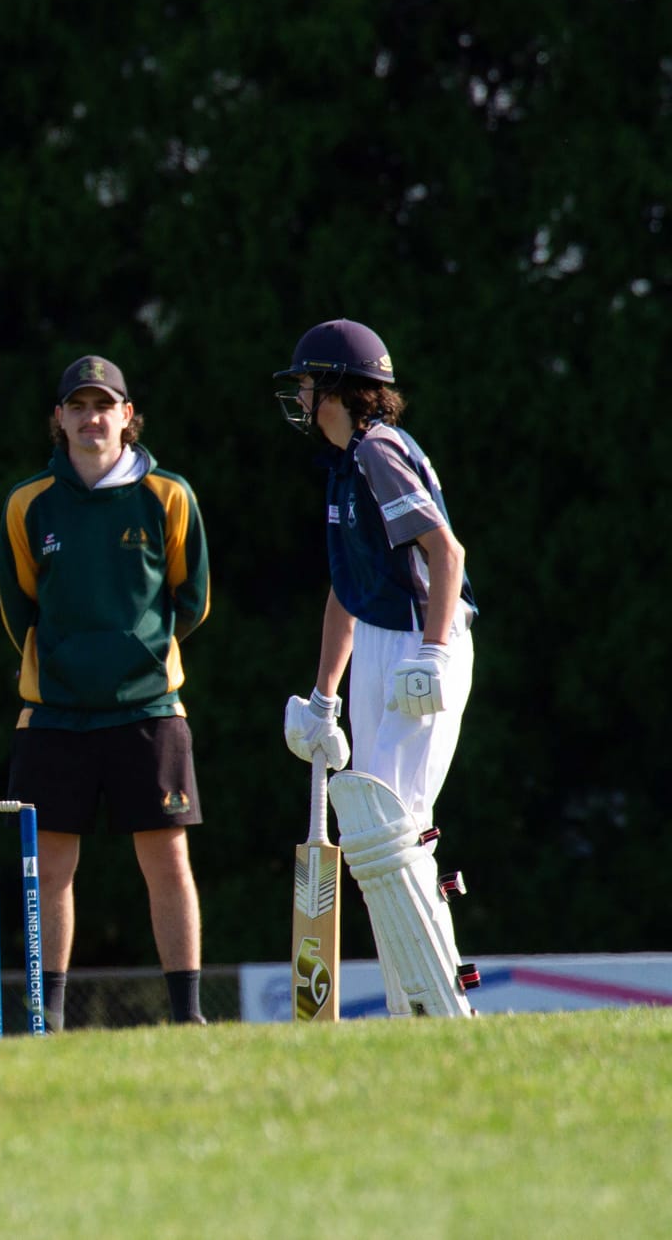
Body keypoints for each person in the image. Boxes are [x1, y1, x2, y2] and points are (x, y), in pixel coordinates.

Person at [0, 355, 211, 1028]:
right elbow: (17, 608)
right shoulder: (29, 503)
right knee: (50, 865)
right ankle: (48, 1015)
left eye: (104, 405)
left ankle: (188, 1012)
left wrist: (140, 656)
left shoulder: (168, 495)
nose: (92, 418)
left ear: (127, 415)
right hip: (55, 712)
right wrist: (63, 665)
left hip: (148, 709)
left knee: (168, 859)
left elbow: (192, 599)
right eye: (78, 406)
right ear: (58, 419)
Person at [274, 319, 479, 1017]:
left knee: (396, 827)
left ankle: (445, 1007)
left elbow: (446, 552)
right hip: (384, 643)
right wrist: (322, 695)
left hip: (422, 638)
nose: (301, 397)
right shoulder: (341, 467)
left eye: (306, 383)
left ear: (336, 386)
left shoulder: (379, 450)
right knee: (372, 828)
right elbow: (348, 587)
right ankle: (414, 1004)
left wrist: (433, 652)